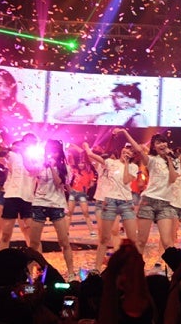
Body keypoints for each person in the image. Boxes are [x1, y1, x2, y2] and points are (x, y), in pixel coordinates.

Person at [116, 129, 179, 253]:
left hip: (165, 204)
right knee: (141, 241)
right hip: (148, 201)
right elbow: (139, 150)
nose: (162, 144)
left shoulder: (174, 161)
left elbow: (172, 179)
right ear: (154, 147)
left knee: (167, 242)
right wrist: (124, 132)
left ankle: (172, 265)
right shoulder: (152, 159)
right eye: (158, 143)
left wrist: (170, 160)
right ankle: (136, 265)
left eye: (163, 142)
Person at [83, 141, 139, 271]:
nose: (127, 151)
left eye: (131, 151)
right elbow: (92, 156)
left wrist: (126, 164)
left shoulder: (133, 167)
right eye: (126, 148)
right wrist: (86, 147)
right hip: (110, 202)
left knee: (132, 238)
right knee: (104, 238)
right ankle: (97, 268)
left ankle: (132, 267)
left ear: (133, 155)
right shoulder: (110, 162)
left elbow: (126, 180)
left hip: (126, 203)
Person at [28, 139, 75, 279]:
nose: (51, 154)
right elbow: (31, 172)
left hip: (56, 205)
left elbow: (59, 182)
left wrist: (53, 167)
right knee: (34, 243)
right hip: (39, 204)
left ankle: (71, 273)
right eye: (49, 150)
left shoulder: (64, 168)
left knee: (64, 241)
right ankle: (30, 274)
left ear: (59, 152)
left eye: (54, 151)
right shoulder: (40, 164)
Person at [53, 82, 148, 127]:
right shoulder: (103, 116)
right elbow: (59, 116)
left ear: (137, 101)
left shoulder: (138, 118)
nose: (126, 101)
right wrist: (84, 102)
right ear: (114, 98)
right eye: (121, 97)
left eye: (131, 97)